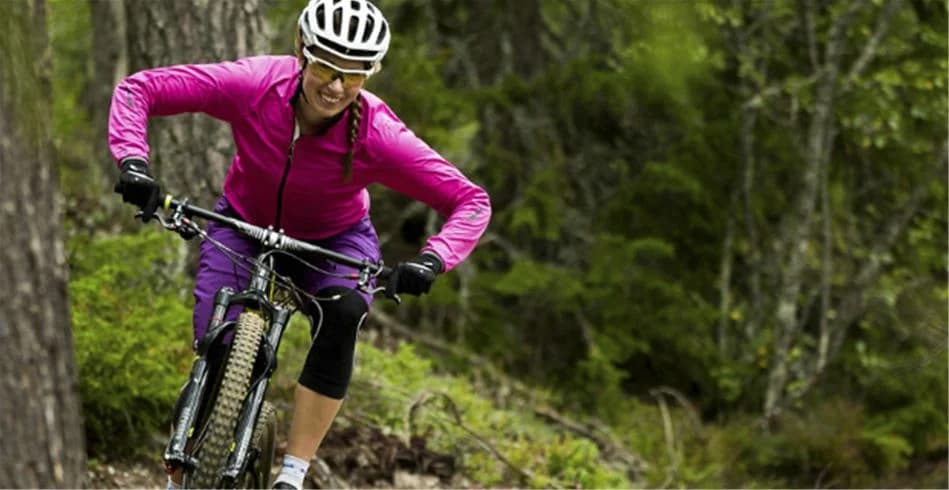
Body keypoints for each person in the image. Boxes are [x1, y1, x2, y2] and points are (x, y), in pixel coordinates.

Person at [109, 0, 491, 488]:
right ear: (302, 52)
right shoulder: (254, 85)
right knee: (219, 344)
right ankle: (184, 466)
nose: (336, 86)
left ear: (368, 76)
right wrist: (133, 162)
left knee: (346, 312)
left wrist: (433, 259)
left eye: (353, 76)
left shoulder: (378, 134)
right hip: (241, 226)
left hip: (334, 241)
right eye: (327, 66)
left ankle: (293, 471)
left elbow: (470, 200)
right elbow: (140, 89)